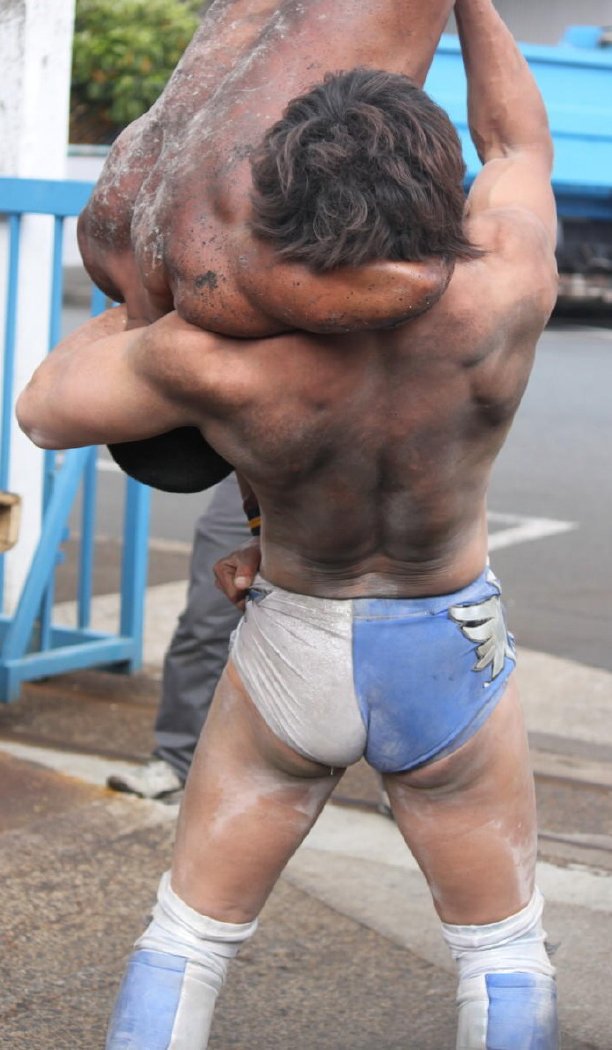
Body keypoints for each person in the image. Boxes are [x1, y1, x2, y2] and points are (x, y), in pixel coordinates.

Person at [16, 2, 560, 1048]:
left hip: (293, 647)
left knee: (188, 939)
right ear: (433, 183)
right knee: (502, 952)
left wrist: (159, 312)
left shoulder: (215, 360)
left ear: (282, 196)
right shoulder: (504, 293)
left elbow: (44, 409)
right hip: (444, 647)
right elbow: (516, 145)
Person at [107, 473, 251, 799]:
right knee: (205, 619)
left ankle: (384, 773)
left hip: (356, 468)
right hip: (256, 469)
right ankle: (177, 760)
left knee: (367, 626)